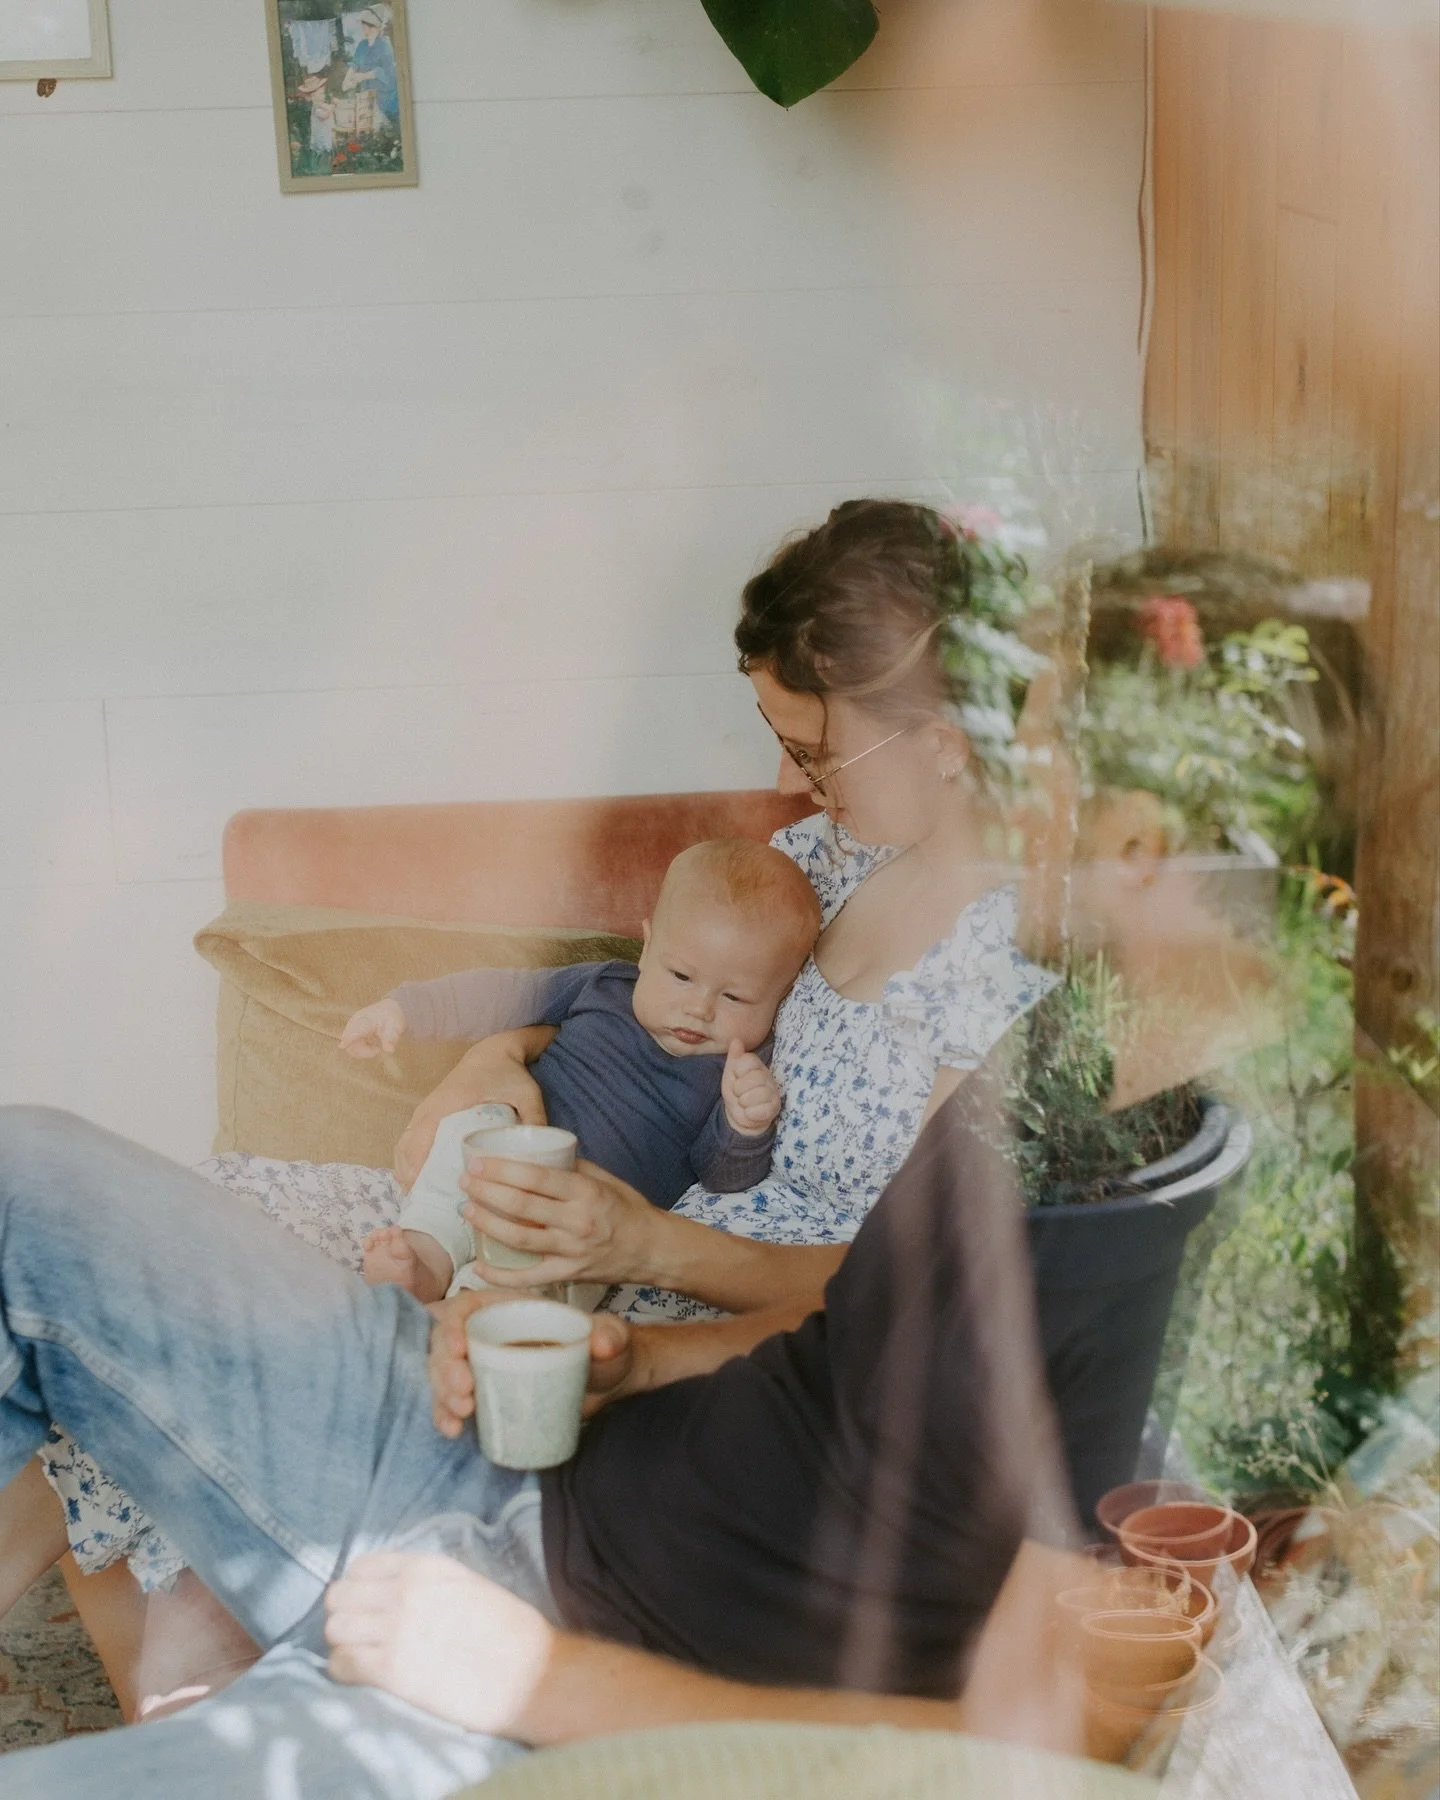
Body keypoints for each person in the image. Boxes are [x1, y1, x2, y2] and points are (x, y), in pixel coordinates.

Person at [0, 499, 1059, 1716]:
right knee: (177, 1255)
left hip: (681, 1294)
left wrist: (641, 1242)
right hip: (603, 1210)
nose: (791, 780)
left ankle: (204, 1685)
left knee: (177, 1321)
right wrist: (488, 1058)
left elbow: (906, 1294)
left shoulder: (1007, 973)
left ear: (944, 739)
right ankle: (198, 1682)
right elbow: (628, 995)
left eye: (815, 750)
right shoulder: (825, 863)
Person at [351, 839, 820, 1300]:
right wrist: (408, 1008)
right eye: (680, 975)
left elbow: (719, 1175)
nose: (698, 1008)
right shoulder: (604, 984)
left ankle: (487, 1303)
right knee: (478, 1121)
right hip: (511, 1149)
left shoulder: (741, 1069)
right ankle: (427, 1251)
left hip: (591, 1214)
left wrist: (746, 1125)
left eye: (734, 997)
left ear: (781, 995)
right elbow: (503, 994)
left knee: (575, 1268)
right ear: (647, 944)